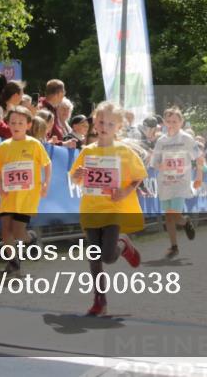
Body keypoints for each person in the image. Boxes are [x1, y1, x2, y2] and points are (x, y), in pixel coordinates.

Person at [69, 101, 145, 316]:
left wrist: (125, 191)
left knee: (109, 257)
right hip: (91, 208)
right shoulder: (87, 151)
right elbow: (75, 177)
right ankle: (99, 300)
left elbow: (138, 176)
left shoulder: (124, 151)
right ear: (95, 123)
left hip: (113, 209)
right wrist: (77, 175)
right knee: (94, 256)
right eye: (101, 122)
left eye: (110, 124)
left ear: (118, 127)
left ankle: (124, 244)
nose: (104, 127)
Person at [0, 106, 51, 275]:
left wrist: (46, 183)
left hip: (27, 196)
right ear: (8, 124)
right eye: (13, 122)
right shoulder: (4, 146)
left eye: (21, 122)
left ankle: (31, 238)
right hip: (8, 195)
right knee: (5, 232)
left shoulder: (34, 144)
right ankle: (13, 263)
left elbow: (47, 164)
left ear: (28, 125)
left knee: (18, 232)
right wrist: (0, 186)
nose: (16, 125)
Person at [150, 107, 203, 258]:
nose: (171, 124)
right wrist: (162, 166)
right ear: (165, 123)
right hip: (165, 182)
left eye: (175, 121)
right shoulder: (161, 141)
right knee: (169, 216)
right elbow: (154, 163)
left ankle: (184, 220)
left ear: (181, 122)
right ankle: (174, 246)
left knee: (173, 213)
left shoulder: (186, 138)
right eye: (169, 121)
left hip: (181, 182)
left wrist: (199, 177)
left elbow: (199, 158)